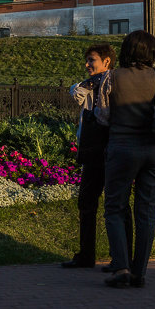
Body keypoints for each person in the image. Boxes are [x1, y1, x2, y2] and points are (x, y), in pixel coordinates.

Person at [96, 30, 155, 289]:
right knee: (146, 210)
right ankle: (139, 272)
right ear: (151, 53)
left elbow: (102, 115)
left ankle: (121, 266)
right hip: (154, 151)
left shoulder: (112, 76)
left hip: (121, 148)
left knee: (115, 207)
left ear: (126, 51)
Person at [61, 43, 127, 269]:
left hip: (108, 149)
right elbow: (75, 91)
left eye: (92, 60)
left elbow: (76, 92)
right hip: (96, 152)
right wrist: (95, 80)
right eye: (87, 60)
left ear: (106, 61)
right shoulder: (93, 85)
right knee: (89, 203)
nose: (87, 64)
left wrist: (102, 79)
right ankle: (88, 254)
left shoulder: (115, 82)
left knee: (114, 205)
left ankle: (120, 257)